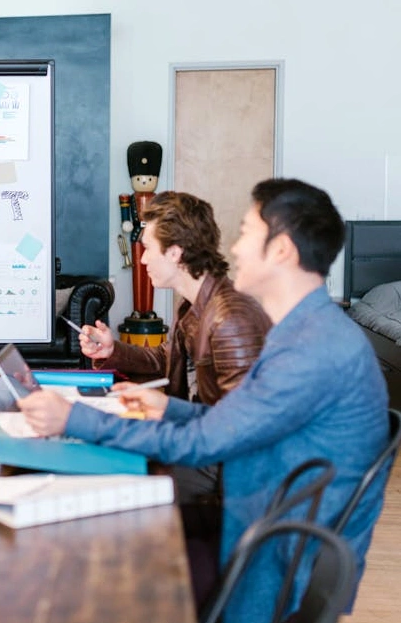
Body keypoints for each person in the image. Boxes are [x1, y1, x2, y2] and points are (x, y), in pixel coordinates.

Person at [19, 178, 389, 622]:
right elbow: (238, 420)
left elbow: (207, 442)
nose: (233, 249)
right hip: (265, 519)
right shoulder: (308, 331)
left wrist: (73, 419)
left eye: (247, 233)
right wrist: (168, 407)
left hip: (271, 558)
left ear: (283, 250)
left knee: (96, 555)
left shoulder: (311, 350)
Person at [82, 190, 272, 605]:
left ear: (176, 252)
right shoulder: (195, 307)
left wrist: (163, 411)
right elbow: (165, 361)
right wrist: (112, 350)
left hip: (231, 478)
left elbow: (246, 431)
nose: (142, 259)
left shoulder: (230, 318)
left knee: (116, 485)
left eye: (148, 248)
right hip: (211, 457)